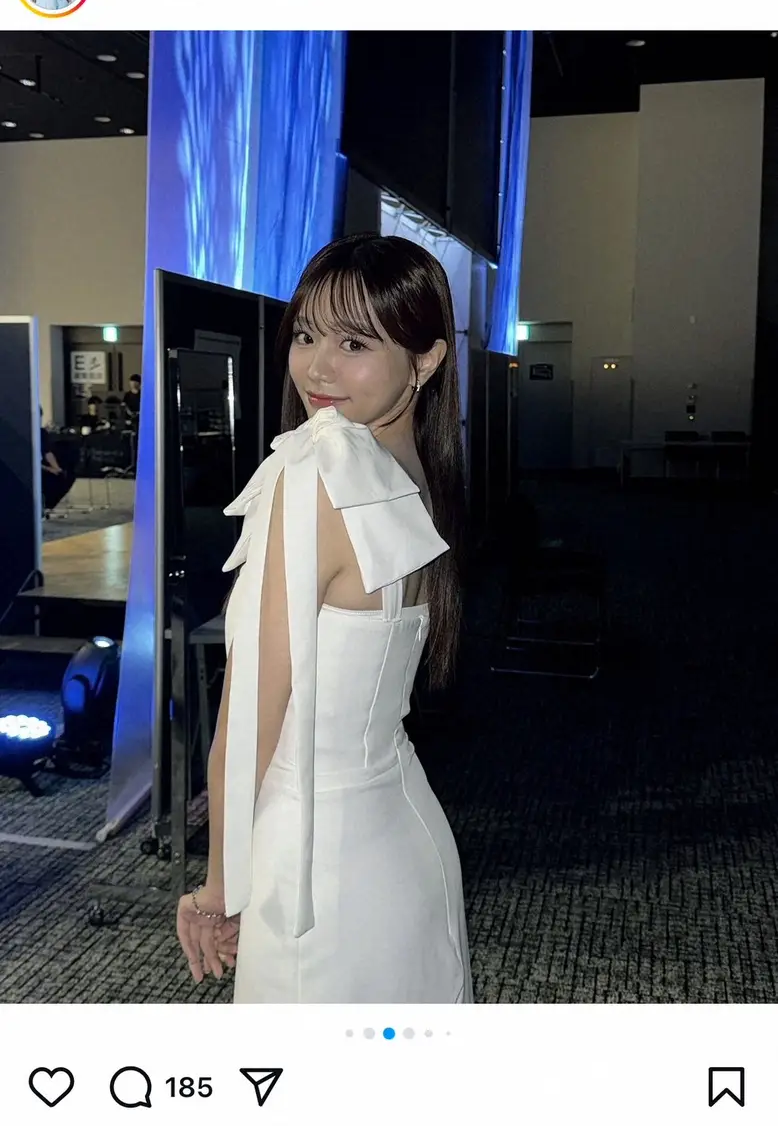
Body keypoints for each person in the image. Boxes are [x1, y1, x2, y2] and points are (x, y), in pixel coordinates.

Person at [176, 233, 473, 1003]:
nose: (316, 367)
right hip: (401, 840)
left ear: (427, 359)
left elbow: (251, 719)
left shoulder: (315, 472)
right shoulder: (414, 471)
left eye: (354, 343)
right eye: (307, 335)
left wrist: (219, 888)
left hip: (314, 867)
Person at [40, 407, 75, 512]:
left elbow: (48, 452)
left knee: (65, 477)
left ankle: (48, 506)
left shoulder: (42, 433)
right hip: (34, 467)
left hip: (42, 466)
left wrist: (56, 468)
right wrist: (48, 469)